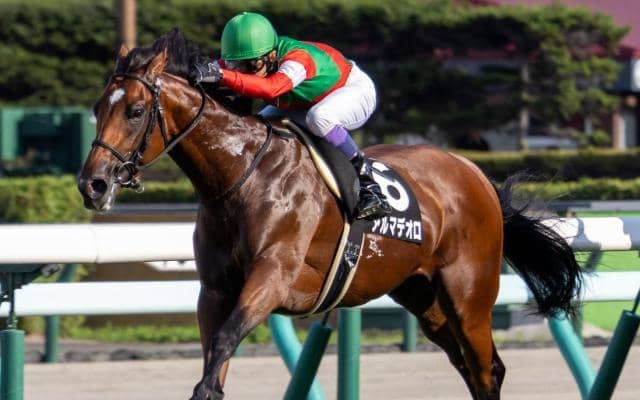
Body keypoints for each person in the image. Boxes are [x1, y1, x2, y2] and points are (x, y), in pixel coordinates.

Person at [189, 12, 391, 220]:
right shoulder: (253, 56)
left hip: (352, 91)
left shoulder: (297, 60)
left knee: (320, 118)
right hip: (304, 102)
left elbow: (271, 89)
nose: (243, 71)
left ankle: (369, 183)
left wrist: (223, 74)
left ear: (271, 56)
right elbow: (213, 69)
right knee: (259, 126)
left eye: (250, 65)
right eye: (235, 65)